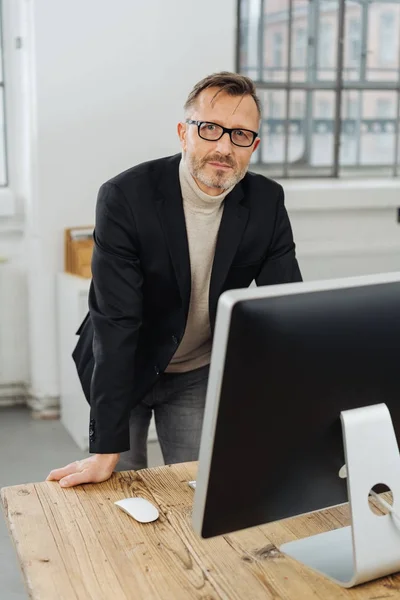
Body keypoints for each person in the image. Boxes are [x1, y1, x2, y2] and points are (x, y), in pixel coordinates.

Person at [47, 71, 302, 488]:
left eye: (240, 135)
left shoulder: (266, 203)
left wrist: (297, 413)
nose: (223, 147)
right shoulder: (126, 198)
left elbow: (286, 310)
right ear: (184, 133)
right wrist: (105, 445)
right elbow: (116, 323)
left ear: (253, 147)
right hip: (122, 362)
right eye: (210, 129)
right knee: (117, 485)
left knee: (195, 490)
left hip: (194, 371)